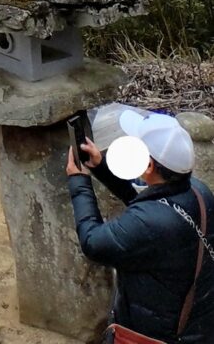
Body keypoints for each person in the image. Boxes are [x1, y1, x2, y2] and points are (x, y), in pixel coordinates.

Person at [67, 106, 214, 343]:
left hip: (155, 333)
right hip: (195, 324)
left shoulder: (148, 223)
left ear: (148, 166)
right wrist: (100, 166)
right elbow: (148, 202)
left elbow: (93, 242)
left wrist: (79, 182)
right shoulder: (198, 191)